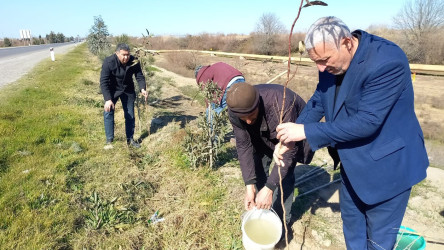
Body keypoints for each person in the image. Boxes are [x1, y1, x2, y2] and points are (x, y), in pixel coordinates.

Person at [274, 16, 429, 249]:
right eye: (316, 61)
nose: (321, 68)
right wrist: (289, 138)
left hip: (388, 168)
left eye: (324, 60)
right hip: (351, 165)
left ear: (347, 42)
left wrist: (305, 131)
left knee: (378, 240)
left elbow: (367, 122)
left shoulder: (386, 62)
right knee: (353, 230)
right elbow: (319, 99)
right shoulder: (330, 61)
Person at [226, 83, 313, 226]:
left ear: (257, 105)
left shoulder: (281, 103)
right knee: (257, 164)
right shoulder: (235, 111)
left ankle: (280, 220)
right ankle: (261, 207)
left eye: (251, 116)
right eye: (243, 118)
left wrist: (270, 187)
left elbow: (289, 152)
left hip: (289, 135)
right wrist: (249, 185)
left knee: (285, 176)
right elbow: (243, 145)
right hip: (262, 134)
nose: (247, 121)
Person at [100, 43, 148, 149]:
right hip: (113, 90)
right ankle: (109, 139)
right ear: (117, 53)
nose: (126, 57)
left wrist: (142, 88)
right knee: (108, 111)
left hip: (128, 90)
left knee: (130, 114)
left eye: (128, 54)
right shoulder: (109, 62)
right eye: (123, 55)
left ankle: (130, 139)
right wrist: (108, 99)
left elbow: (139, 76)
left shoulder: (134, 60)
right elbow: (103, 81)